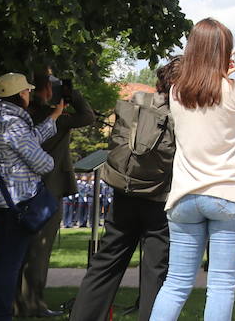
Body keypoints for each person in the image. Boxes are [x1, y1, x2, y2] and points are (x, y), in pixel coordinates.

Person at [150, 19, 235, 321]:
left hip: (185, 196)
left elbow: (206, 101)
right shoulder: (234, 89)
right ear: (224, 51)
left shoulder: (177, 91)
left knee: (176, 284)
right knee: (220, 286)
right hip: (230, 194)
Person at [70, 58, 181, 321]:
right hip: (159, 196)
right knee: (155, 270)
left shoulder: (137, 104)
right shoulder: (181, 114)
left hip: (125, 190)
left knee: (105, 264)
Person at [0, 73, 63, 321]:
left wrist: (53, 118)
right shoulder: (11, 123)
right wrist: (49, 159)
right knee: (10, 264)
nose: (28, 94)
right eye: (26, 91)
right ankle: (0, 314)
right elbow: (41, 162)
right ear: (18, 95)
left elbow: (28, 140)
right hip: (16, 202)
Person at [16, 69, 95, 318]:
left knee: (20, 250)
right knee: (40, 251)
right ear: (48, 89)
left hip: (22, 189)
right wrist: (73, 95)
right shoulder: (55, 117)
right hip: (48, 190)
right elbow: (88, 116)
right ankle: (33, 304)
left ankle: (17, 302)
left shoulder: (24, 114)